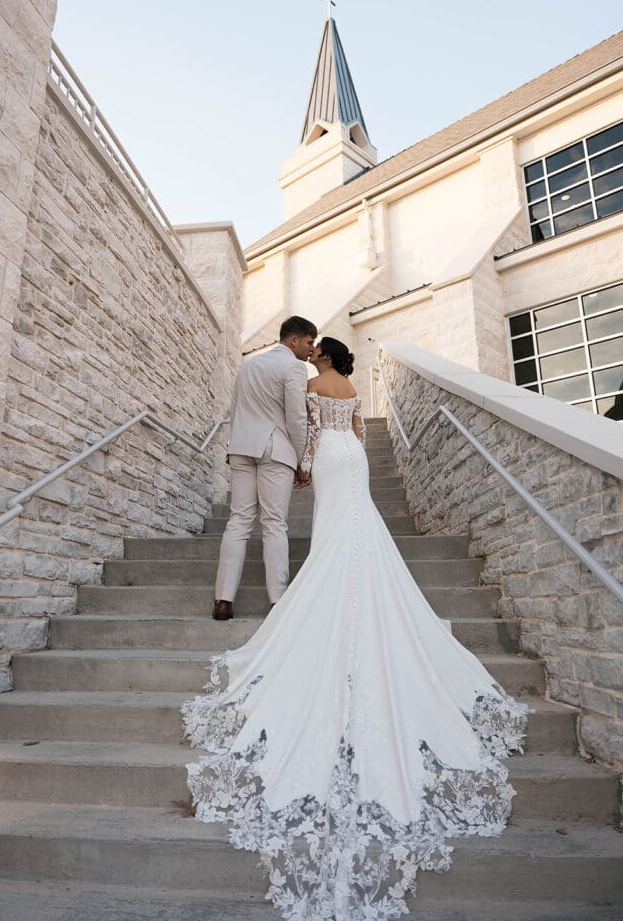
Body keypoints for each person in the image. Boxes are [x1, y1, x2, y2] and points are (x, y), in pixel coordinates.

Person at [184, 337, 529, 920]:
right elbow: (360, 432)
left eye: (317, 349)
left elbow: (309, 429)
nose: (313, 352)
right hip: (355, 460)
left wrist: (303, 465)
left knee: (330, 531)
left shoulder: (313, 384)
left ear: (322, 356)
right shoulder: (350, 386)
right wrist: (342, 456)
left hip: (327, 458)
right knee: (358, 524)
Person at [211, 315, 317, 621]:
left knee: (238, 522)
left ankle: (223, 600)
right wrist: (303, 460)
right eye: (309, 342)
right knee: (274, 523)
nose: (311, 350)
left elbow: (234, 409)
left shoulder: (248, 366)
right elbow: (296, 417)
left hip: (241, 448)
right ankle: (277, 600)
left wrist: (233, 445)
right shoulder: (293, 367)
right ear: (293, 340)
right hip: (275, 449)